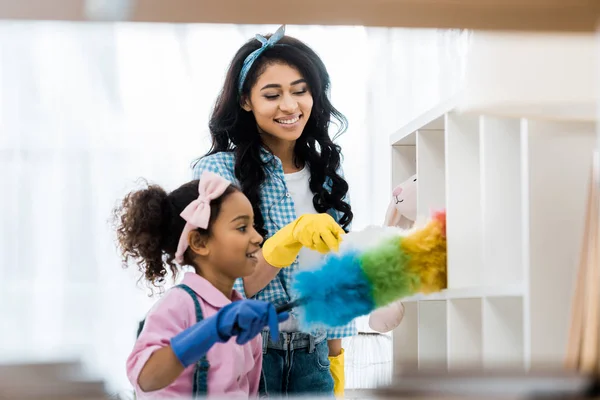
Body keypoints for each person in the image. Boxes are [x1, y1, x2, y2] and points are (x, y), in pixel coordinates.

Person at [192, 25, 355, 397]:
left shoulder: (327, 176)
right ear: (246, 101)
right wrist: (286, 240)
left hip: (313, 360)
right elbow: (224, 286)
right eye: (272, 94)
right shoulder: (219, 172)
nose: (290, 106)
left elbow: (336, 279)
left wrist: (335, 359)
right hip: (247, 357)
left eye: (300, 91)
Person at [114, 171, 289, 399]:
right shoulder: (178, 305)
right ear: (199, 242)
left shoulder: (246, 324)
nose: (258, 238)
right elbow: (146, 378)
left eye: (254, 226)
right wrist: (212, 328)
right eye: (242, 227)